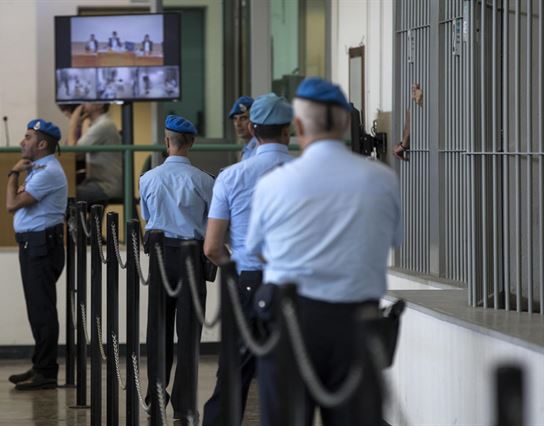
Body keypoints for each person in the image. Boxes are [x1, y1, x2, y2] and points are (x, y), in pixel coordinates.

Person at [246, 77, 403, 425]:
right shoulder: (382, 179)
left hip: (290, 321)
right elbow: (391, 240)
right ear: (346, 122)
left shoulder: (273, 184)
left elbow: (257, 251)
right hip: (358, 323)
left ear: (298, 125)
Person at [202, 93, 294, 425]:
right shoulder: (306, 175)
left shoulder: (231, 176)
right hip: (297, 285)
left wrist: (238, 269)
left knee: (234, 371)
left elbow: (212, 247)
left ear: (253, 130)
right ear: (288, 131)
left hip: (248, 282)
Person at [139, 115, 214, 424]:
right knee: (188, 333)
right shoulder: (205, 181)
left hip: (159, 253)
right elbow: (214, 220)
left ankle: (156, 397)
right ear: (191, 142)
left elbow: (146, 215)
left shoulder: (147, 179)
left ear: (166, 142)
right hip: (192, 257)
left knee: (158, 329)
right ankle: (184, 406)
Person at [6, 119, 68, 391]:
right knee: (37, 309)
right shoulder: (41, 168)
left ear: (42, 144)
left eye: (28, 137)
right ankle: (40, 365)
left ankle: (46, 372)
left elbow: (11, 205)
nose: (23, 141)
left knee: (42, 310)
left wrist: (12, 174)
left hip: (41, 246)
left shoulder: (48, 172)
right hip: (35, 244)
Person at [67, 103, 123, 203]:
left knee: (66, 195)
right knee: (66, 191)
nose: (82, 103)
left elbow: (72, 153)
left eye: (87, 100)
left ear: (100, 105)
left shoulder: (104, 125)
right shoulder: (97, 124)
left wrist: (73, 122)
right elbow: (78, 153)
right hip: (96, 183)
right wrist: (83, 123)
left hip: (106, 186)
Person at [393, 82, 423, 161]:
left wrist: (403, 146)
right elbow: (407, 127)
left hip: (421, 145)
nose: (413, 92)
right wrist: (402, 144)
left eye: (415, 90)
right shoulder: (412, 106)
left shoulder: (413, 107)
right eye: (412, 90)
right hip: (421, 145)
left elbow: (408, 128)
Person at [228, 96, 257, 161]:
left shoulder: (258, 149)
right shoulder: (248, 146)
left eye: (243, 118)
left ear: (254, 120)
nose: (238, 124)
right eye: (235, 119)